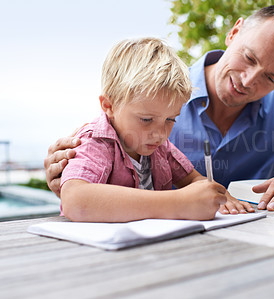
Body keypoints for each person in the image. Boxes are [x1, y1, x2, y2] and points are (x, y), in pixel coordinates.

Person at [44, 5, 274, 214]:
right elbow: (86, 178)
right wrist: (68, 171)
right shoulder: (154, 91)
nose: (250, 81)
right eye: (249, 58)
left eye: (271, 77)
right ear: (234, 32)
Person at [57, 37, 230, 222]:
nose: (161, 134)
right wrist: (177, 203)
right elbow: (74, 199)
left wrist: (215, 195)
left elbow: (196, 181)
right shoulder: (96, 142)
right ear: (109, 105)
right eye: (146, 119)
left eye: (170, 119)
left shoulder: (161, 148)